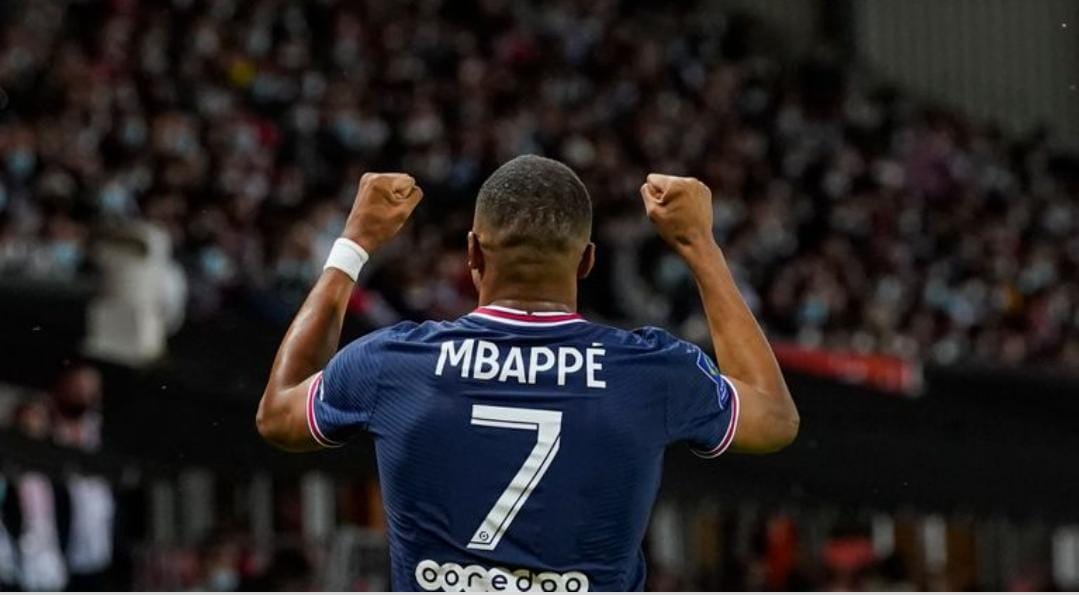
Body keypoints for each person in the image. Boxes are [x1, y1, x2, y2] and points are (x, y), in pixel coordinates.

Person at [256, 155, 799, 591]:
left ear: (473, 253)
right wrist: (699, 245)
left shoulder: (394, 363)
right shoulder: (650, 370)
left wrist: (353, 244)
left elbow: (278, 415)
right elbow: (774, 418)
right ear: (586, 262)